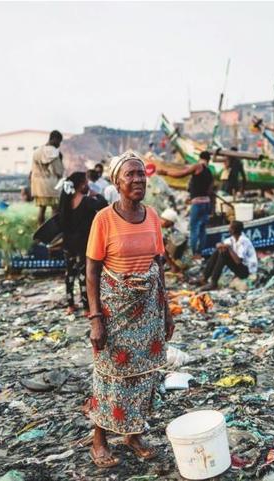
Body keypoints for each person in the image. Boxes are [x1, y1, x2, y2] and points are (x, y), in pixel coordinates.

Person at [85, 150, 174, 468]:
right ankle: (100, 438)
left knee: (144, 378)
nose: (138, 180)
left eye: (141, 174)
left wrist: (167, 312)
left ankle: (133, 434)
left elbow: (158, 265)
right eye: (130, 175)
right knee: (110, 376)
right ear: (117, 182)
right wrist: (96, 318)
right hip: (115, 314)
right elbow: (92, 270)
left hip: (148, 313)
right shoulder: (104, 219)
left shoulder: (152, 216)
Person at [58, 172, 107, 313]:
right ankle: (87, 308)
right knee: (84, 275)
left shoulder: (65, 202)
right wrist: (94, 194)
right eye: (86, 183)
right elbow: (103, 204)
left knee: (69, 274)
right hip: (83, 244)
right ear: (81, 185)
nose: (88, 185)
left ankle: (70, 305)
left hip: (67, 244)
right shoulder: (87, 202)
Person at [157, 150, 214, 257]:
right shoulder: (209, 172)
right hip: (207, 203)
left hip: (197, 203)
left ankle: (193, 254)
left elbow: (181, 174)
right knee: (202, 229)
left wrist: (165, 172)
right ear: (208, 160)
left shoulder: (198, 166)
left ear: (200, 158)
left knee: (194, 228)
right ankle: (199, 253)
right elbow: (210, 191)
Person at [199, 221, 257, 291]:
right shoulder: (233, 238)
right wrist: (219, 245)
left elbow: (238, 261)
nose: (228, 229)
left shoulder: (243, 241)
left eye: (229, 227)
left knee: (224, 254)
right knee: (219, 250)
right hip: (240, 268)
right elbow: (224, 244)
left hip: (246, 271)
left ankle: (213, 282)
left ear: (233, 230)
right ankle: (204, 278)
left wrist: (229, 248)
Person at [31, 130, 65, 225]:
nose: (59, 145)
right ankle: (52, 234)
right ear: (55, 139)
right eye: (59, 142)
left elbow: (32, 170)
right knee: (55, 210)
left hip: (38, 185)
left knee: (41, 210)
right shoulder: (55, 153)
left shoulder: (37, 151)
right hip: (52, 185)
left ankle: (39, 232)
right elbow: (58, 171)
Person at [160, 208, 187, 273]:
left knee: (160, 245)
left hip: (179, 261)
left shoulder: (171, 231)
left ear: (169, 222)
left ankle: (173, 266)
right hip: (180, 260)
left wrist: (172, 264)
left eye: (163, 219)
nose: (160, 221)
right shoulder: (173, 230)